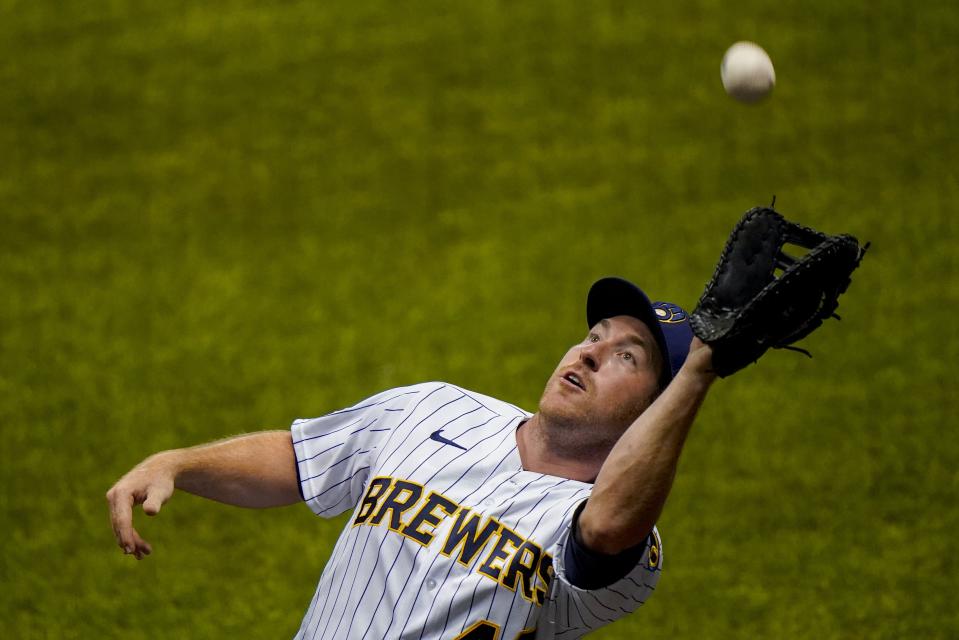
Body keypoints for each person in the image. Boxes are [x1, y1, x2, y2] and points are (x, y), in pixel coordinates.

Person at [107, 276, 718, 639]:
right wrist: (179, 463)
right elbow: (302, 459)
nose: (587, 354)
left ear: (654, 414)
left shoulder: (624, 542)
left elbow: (606, 531)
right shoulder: (434, 409)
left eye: (626, 357)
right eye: (593, 336)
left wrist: (696, 376)